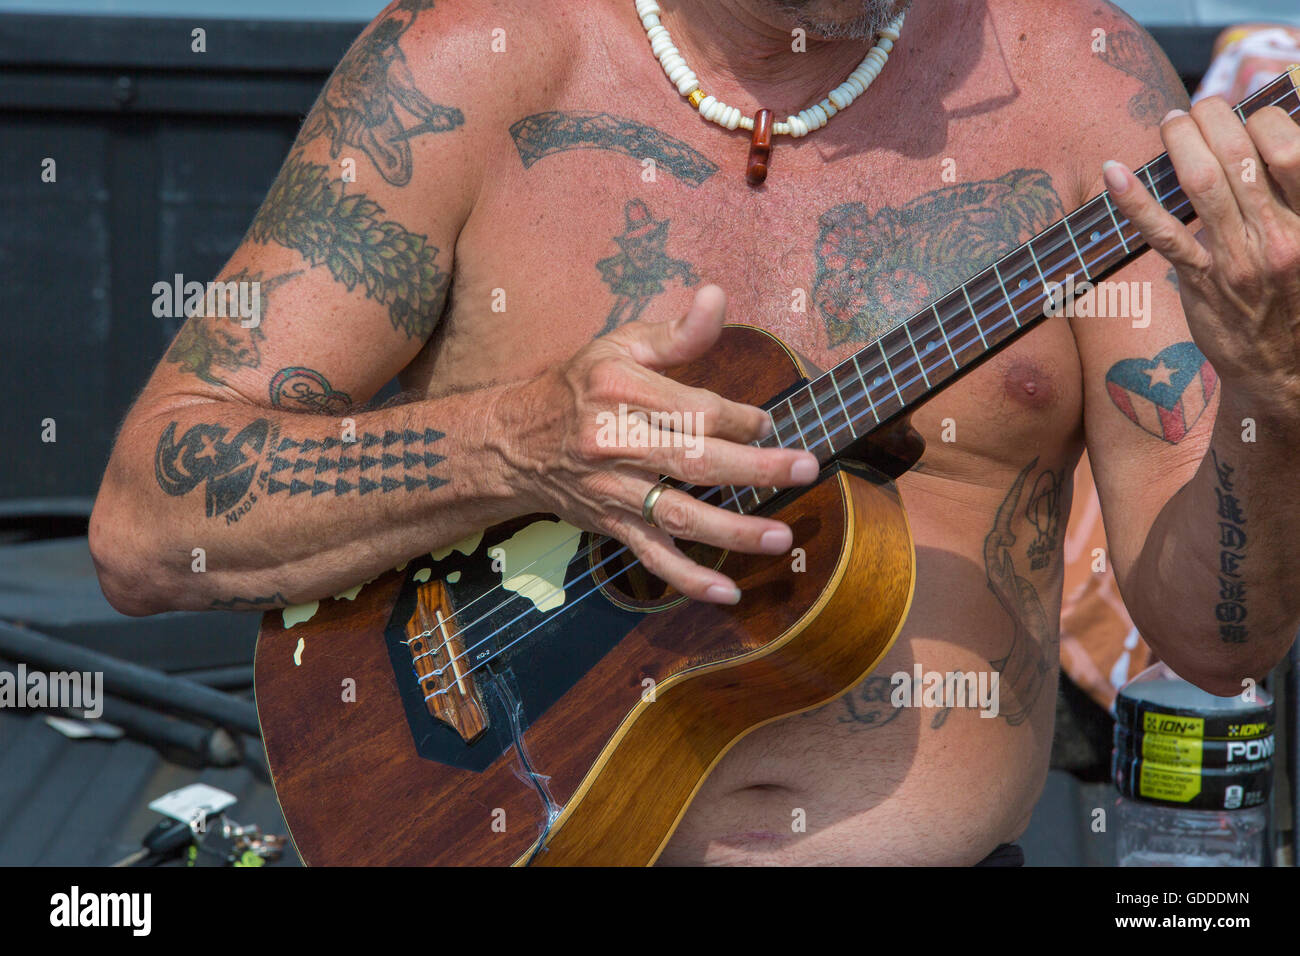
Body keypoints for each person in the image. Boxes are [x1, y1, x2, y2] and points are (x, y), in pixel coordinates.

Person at [88, 0, 1300, 865]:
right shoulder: (465, 59)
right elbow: (148, 522)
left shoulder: (1087, 85)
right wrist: (507, 444)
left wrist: (1271, 389)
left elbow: (1214, 637)